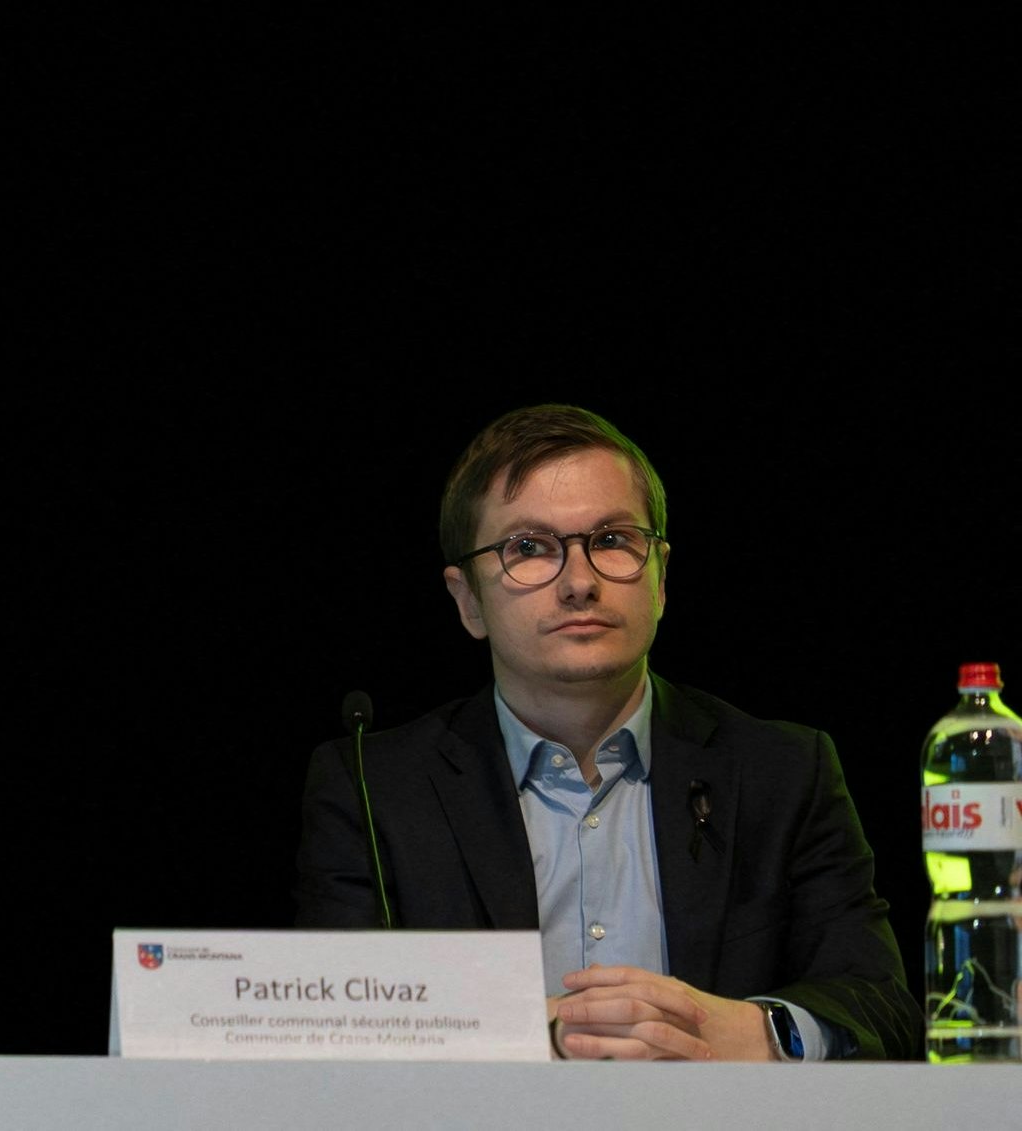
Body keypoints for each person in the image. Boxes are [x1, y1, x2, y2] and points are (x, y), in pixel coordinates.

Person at [294, 404, 918, 1059]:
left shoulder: (782, 770)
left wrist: (763, 1032)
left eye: (613, 539)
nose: (581, 582)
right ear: (467, 599)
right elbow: (338, 1025)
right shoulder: (374, 787)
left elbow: (880, 1005)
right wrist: (535, 1036)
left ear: (662, 576)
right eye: (529, 547)